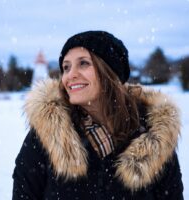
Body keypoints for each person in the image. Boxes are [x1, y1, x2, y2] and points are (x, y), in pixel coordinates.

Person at [12, 31, 184, 199]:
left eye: (84, 63)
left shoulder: (154, 136)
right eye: (66, 67)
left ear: (109, 71)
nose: (70, 75)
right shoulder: (47, 136)